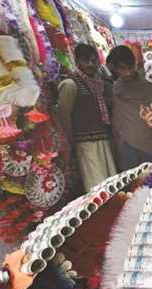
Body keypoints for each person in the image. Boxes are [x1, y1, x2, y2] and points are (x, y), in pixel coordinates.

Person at [57, 43, 117, 191]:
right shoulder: (71, 85)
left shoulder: (97, 84)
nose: (91, 65)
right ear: (77, 62)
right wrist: (71, 145)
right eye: (86, 60)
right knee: (96, 189)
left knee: (111, 186)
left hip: (103, 141)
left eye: (94, 60)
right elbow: (64, 118)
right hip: (86, 144)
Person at [110, 45, 152, 171]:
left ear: (135, 64)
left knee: (151, 182)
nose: (128, 72)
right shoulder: (114, 89)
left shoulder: (149, 88)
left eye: (130, 67)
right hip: (126, 145)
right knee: (132, 185)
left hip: (149, 144)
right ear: (114, 68)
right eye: (122, 68)